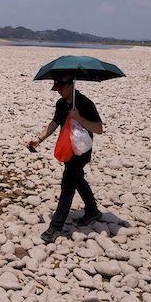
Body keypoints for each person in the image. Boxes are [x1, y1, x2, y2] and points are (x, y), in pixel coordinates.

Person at [27, 74, 103, 243]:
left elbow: (98, 128)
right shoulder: (61, 104)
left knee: (67, 185)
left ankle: (55, 227)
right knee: (77, 180)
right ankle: (92, 210)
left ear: (70, 86)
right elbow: (54, 123)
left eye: (60, 88)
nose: (58, 92)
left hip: (81, 151)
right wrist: (38, 140)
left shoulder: (85, 103)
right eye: (57, 89)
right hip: (67, 148)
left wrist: (79, 118)